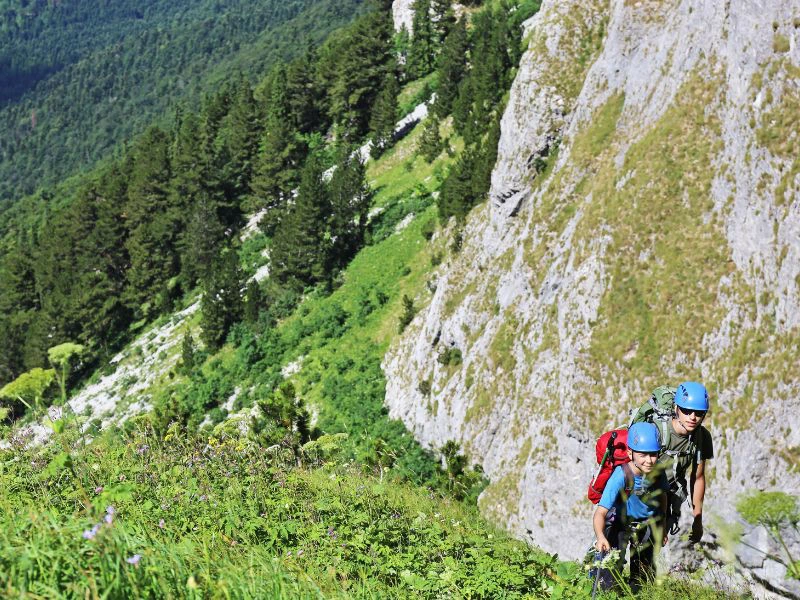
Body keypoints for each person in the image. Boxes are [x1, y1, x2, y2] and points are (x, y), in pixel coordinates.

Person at [592, 422, 668, 592]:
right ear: (630, 453)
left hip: (647, 527)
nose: (649, 460)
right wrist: (600, 536)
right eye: (643, 455)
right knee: (607, 577)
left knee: (642, 579)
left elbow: (663, 499)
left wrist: (662, 528)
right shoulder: (621, 474)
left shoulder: (659, 472)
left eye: (653, 455)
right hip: (620, 525)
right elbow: (600, 512)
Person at [661, 381, 714, 542]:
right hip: (643, 493)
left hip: (668, 498)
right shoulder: (657, 431)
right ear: (676, 409)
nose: (693, 417)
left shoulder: (701, 437)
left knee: (647, 555)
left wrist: (697, 519)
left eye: (698, 413)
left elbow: (697, 477)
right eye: (687, 410)